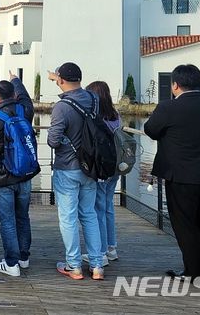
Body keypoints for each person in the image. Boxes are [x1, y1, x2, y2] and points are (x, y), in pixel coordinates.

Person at [144, 64, 200, 279]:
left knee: (185, 224)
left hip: (180, 174)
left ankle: (193, 272)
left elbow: (150, 130)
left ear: (175, 85)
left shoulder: (168, 108)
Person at [47, 62, 104, 281]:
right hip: (91, 167)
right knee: (89, 214)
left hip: (67, 168)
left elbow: (52, 141)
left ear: (61, 81)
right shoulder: (93, 99)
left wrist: (63, 139)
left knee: (68, 218)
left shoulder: (61, 107)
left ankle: (74, 265)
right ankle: (97, 265)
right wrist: (56, 77)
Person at [0, 71, 37, 277]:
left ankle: (11, 263)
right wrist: (16, 80)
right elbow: (26, 98)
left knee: (8, 221)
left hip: (2, 179)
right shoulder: (25, 111)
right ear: (13, 94)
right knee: (23, 217)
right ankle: (23, 257)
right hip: (25, 174)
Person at [82, 81, 121, 267]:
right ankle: (112, 247)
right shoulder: (116, 116)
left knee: (97, 208)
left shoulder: (96, 118)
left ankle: (101, 251)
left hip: (101, 168)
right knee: (108, 207)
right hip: (115, 166)